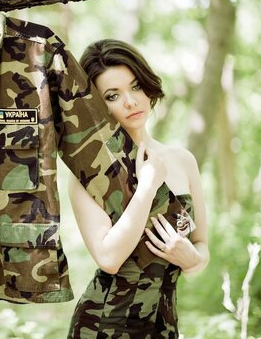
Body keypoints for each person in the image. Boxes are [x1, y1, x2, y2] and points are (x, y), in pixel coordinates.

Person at [67, 39, 209, 338]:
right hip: (105, 324)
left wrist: (193, 261)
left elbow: (201, 244)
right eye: (113, 95)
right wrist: (147, 186)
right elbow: (108, 258)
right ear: (95, 105)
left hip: (165, 325)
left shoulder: (182, 160)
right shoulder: (88, 172)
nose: (130, 101)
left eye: (135, 87)